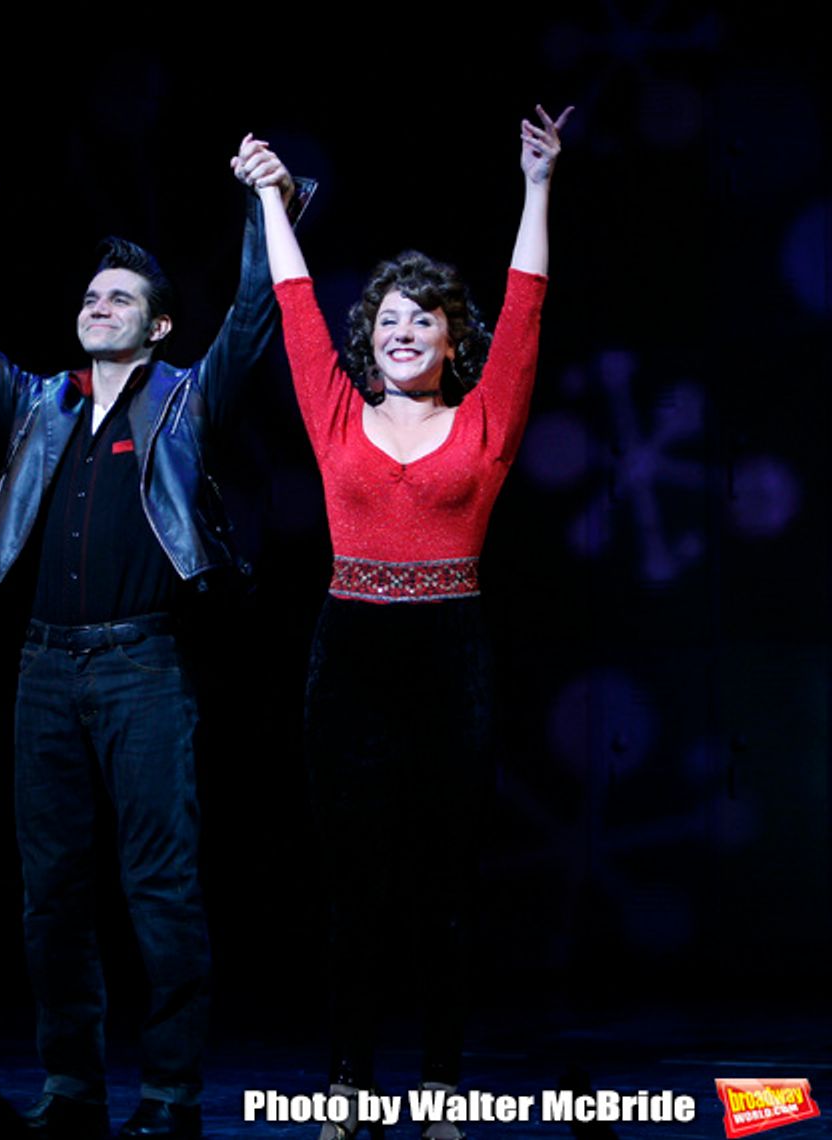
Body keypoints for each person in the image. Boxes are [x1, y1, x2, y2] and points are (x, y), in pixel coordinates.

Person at [0, 127, 310, 1140]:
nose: (98, 306)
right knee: (51, 892)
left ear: (158, 323)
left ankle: (170, 1094)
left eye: (121, 297)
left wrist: (270, 201)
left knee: (160, 887)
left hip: (145, 667)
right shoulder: (41, 404)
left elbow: (256, 316)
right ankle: (72, 1085)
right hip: (44, 668)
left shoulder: (184, 401)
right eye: (91, 295)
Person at [232, 106, 572, 1139]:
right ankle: (346, 1084)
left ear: (452, 342)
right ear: (369, 338)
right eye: (389, 318)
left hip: (449, 663)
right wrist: (269, 199)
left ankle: (440, 1090)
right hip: (350, 663)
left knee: (445, 895)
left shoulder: (486, 423)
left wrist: (538, 186)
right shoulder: (336, 413)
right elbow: (294, 304)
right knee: (353, 893)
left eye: (425, 319)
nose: (405, 330)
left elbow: (525, 306)